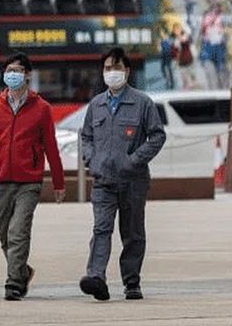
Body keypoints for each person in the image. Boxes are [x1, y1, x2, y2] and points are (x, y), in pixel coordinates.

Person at [0, 53, 66, 301]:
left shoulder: (41, 109)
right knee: (5, 234)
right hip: (0, 181)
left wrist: (58, 183)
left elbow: (51, 148)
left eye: (18, 70)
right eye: (9, 70)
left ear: (28, 74)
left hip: (29, 182)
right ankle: (23, 270)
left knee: (18, 232)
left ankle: (14, 283)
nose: (13, 75)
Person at [79, 47, 166, 302]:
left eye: (117, 68)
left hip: (133, 181)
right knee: (101, 229)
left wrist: (134, 160)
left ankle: (131, 282)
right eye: (108, 68)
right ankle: (96, 278)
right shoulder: (96, 105)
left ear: (127, 71)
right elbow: (86, 137)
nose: (112, 73)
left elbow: (157, 135)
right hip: (103, 181)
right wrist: (91, 159)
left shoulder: (142, 103)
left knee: (133, 233)